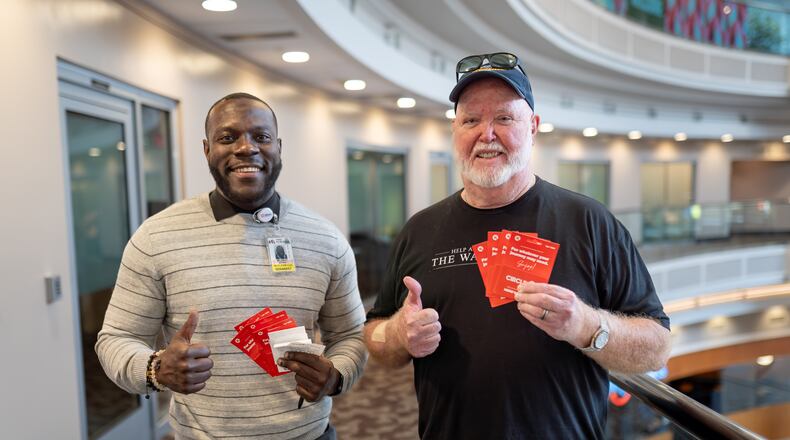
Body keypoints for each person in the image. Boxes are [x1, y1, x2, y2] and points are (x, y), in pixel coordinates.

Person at [364, 52, 671, 439]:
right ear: (455, 130)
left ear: (533, 127)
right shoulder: (420, 230)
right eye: (471, 120)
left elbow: (657, 348)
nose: (486, 134)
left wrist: (584, 325)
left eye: (504, 118)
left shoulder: (589, 222)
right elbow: (375, 336)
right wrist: (397, 335)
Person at [96, 92, 367, 439]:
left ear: (279, 147)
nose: (246, 148)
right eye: (228, 137)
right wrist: (155, 368)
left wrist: (336, 375)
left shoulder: (325, 238)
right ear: (207, 150)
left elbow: (350, 335)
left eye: (261, 137)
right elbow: (117, 338)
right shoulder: (157, 237)